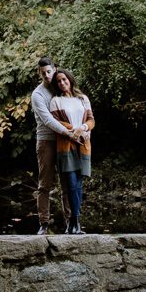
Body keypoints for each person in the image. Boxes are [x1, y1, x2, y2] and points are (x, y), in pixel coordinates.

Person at [48, 68, 95, 234]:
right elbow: (56, 123)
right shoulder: (56, 101)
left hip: (83, 145)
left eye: (64, 79)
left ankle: (74, 224)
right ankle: (74, 221)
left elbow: (91, 120)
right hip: (66, 144)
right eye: (59, 81)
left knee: (79, 185)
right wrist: (74, 131)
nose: (62, 83)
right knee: (71, 184)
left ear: (70, 79)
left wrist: (83, 128)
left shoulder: (82, 99)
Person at [30, 55, 62, 234]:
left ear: (54, 69)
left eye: (49, 72)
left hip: (64, 141)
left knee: (67, 181)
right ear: (39, 74)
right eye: (43, 73)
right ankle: (43, 223)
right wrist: (68, 132)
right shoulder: (38, 94)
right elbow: (48, 120)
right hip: (46, 141)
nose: (47, 76)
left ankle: (71, 222)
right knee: (45, 184)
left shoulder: (62, 87)